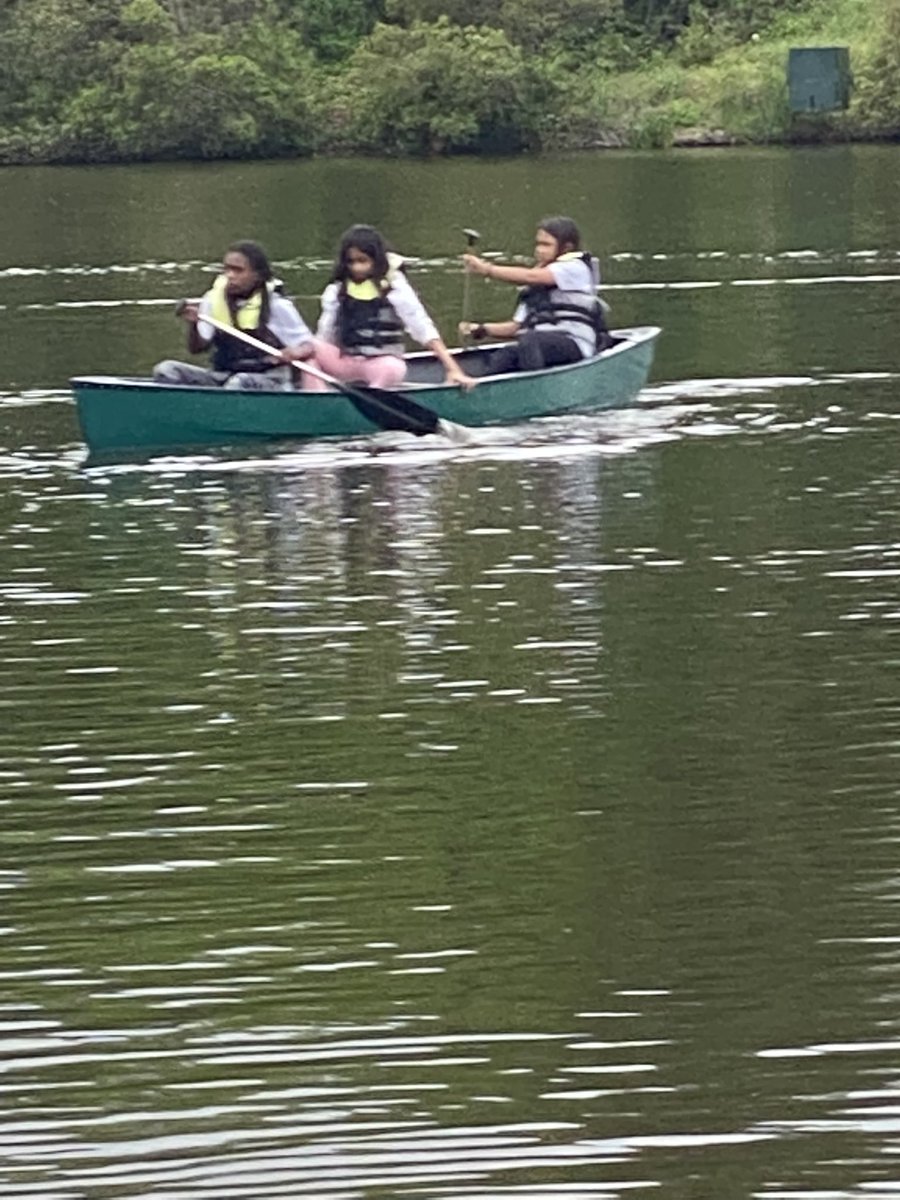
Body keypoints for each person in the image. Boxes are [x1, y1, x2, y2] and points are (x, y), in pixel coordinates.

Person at [284, 224, 472, 391]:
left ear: (376, 259)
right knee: (309, 349)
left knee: (392, 368)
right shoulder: (337, 290)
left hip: (379, 364)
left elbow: (422, 328)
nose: (357, 268)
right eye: (351, 262)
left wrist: (452, 368)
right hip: (345, 362)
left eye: (362, 261)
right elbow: (325, 334)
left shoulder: (394, 286)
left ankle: (373, 398)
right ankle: (318, 398)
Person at [458, 216, 611, 373]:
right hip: (540, 346)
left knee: (530, 340)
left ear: (566, 248)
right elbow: (515, 327)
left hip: (575, 344)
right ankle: (482, 387)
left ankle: (534, 386)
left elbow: (531, 276)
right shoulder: (535, 289)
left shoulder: (574, 268)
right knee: (505, 355)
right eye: (538, 244)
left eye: (546, 245)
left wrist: (487, 269)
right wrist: (481, 329)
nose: (539, 249)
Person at [154, 241, 314, 390]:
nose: (230, 275)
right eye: (227, 269)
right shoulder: (213, 299)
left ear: (257, 275)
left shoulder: (276, 305)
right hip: (223, 375)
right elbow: (196, 349)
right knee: (166, 370)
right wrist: (194, 324)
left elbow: (309, 346)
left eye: (238, 270)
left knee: (239, 382)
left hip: (269, 379)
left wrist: (296, 352)